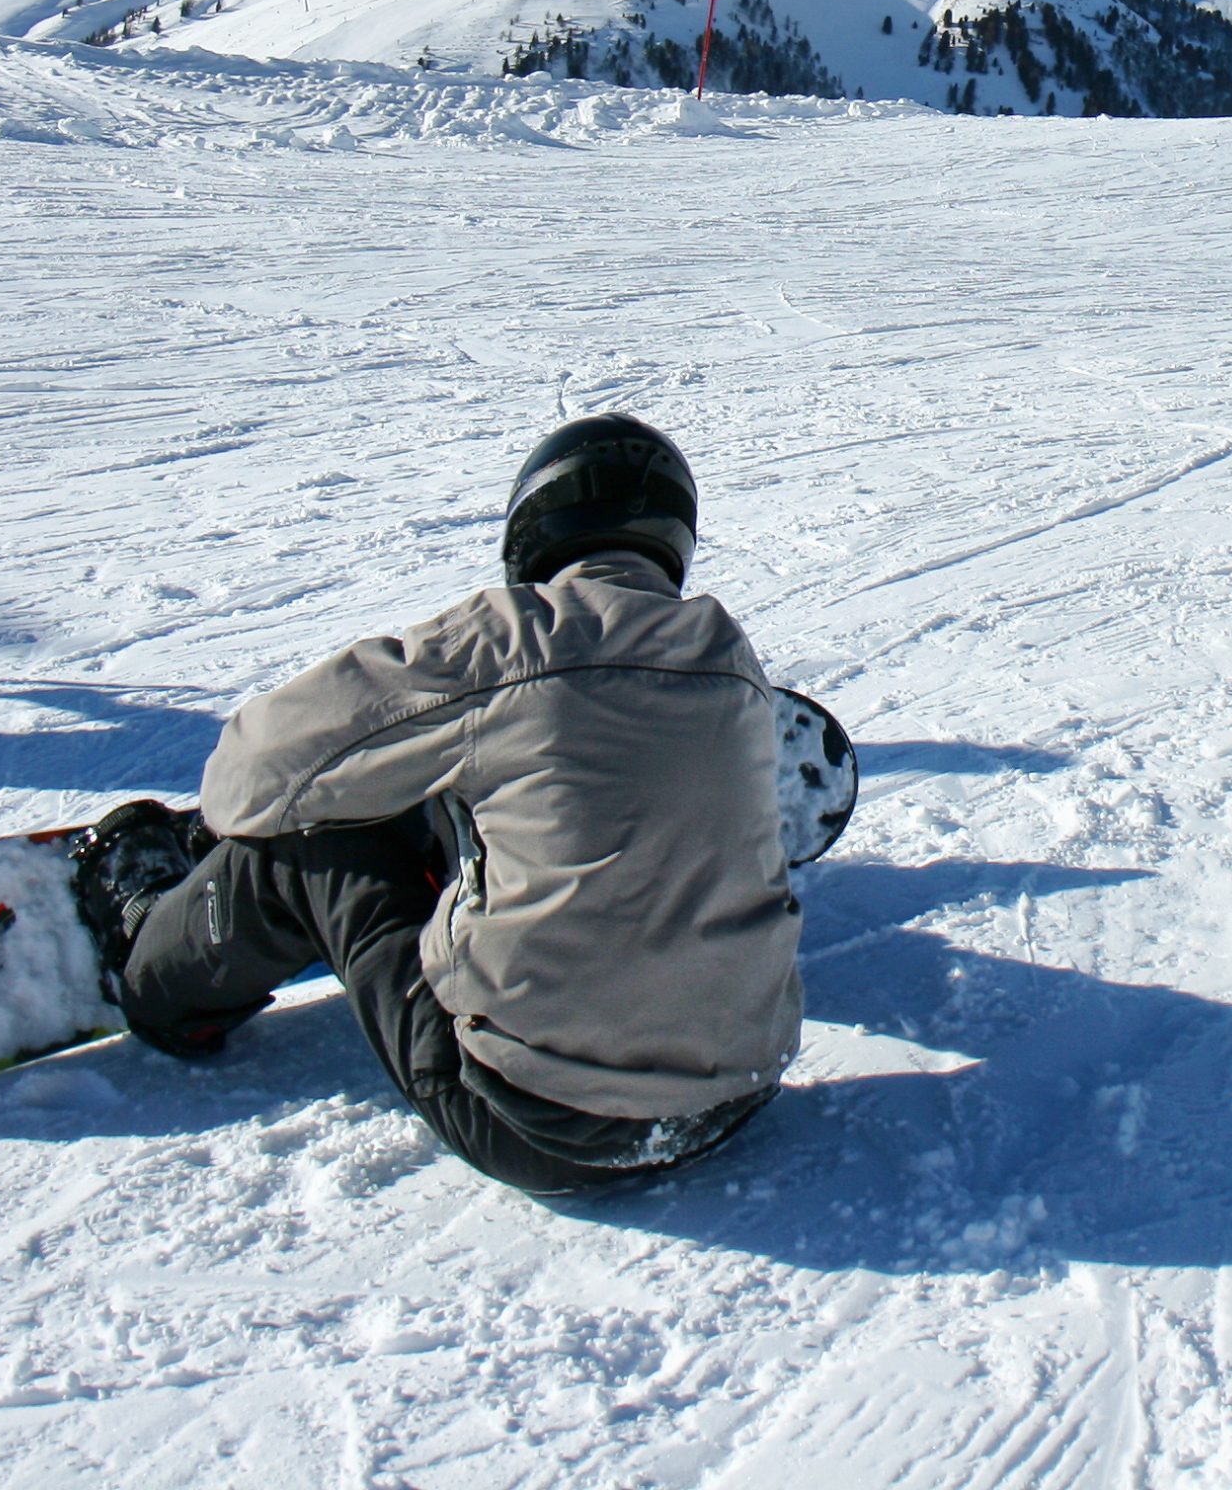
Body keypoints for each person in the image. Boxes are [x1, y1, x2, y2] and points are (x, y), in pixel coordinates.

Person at [70, 415, 802, 1196]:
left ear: (533, 527)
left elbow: (247, 779)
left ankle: (156, 972)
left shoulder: (511, 642)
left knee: (309, 847)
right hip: (737, 1100)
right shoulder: (731, 659)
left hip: (543, 1127)